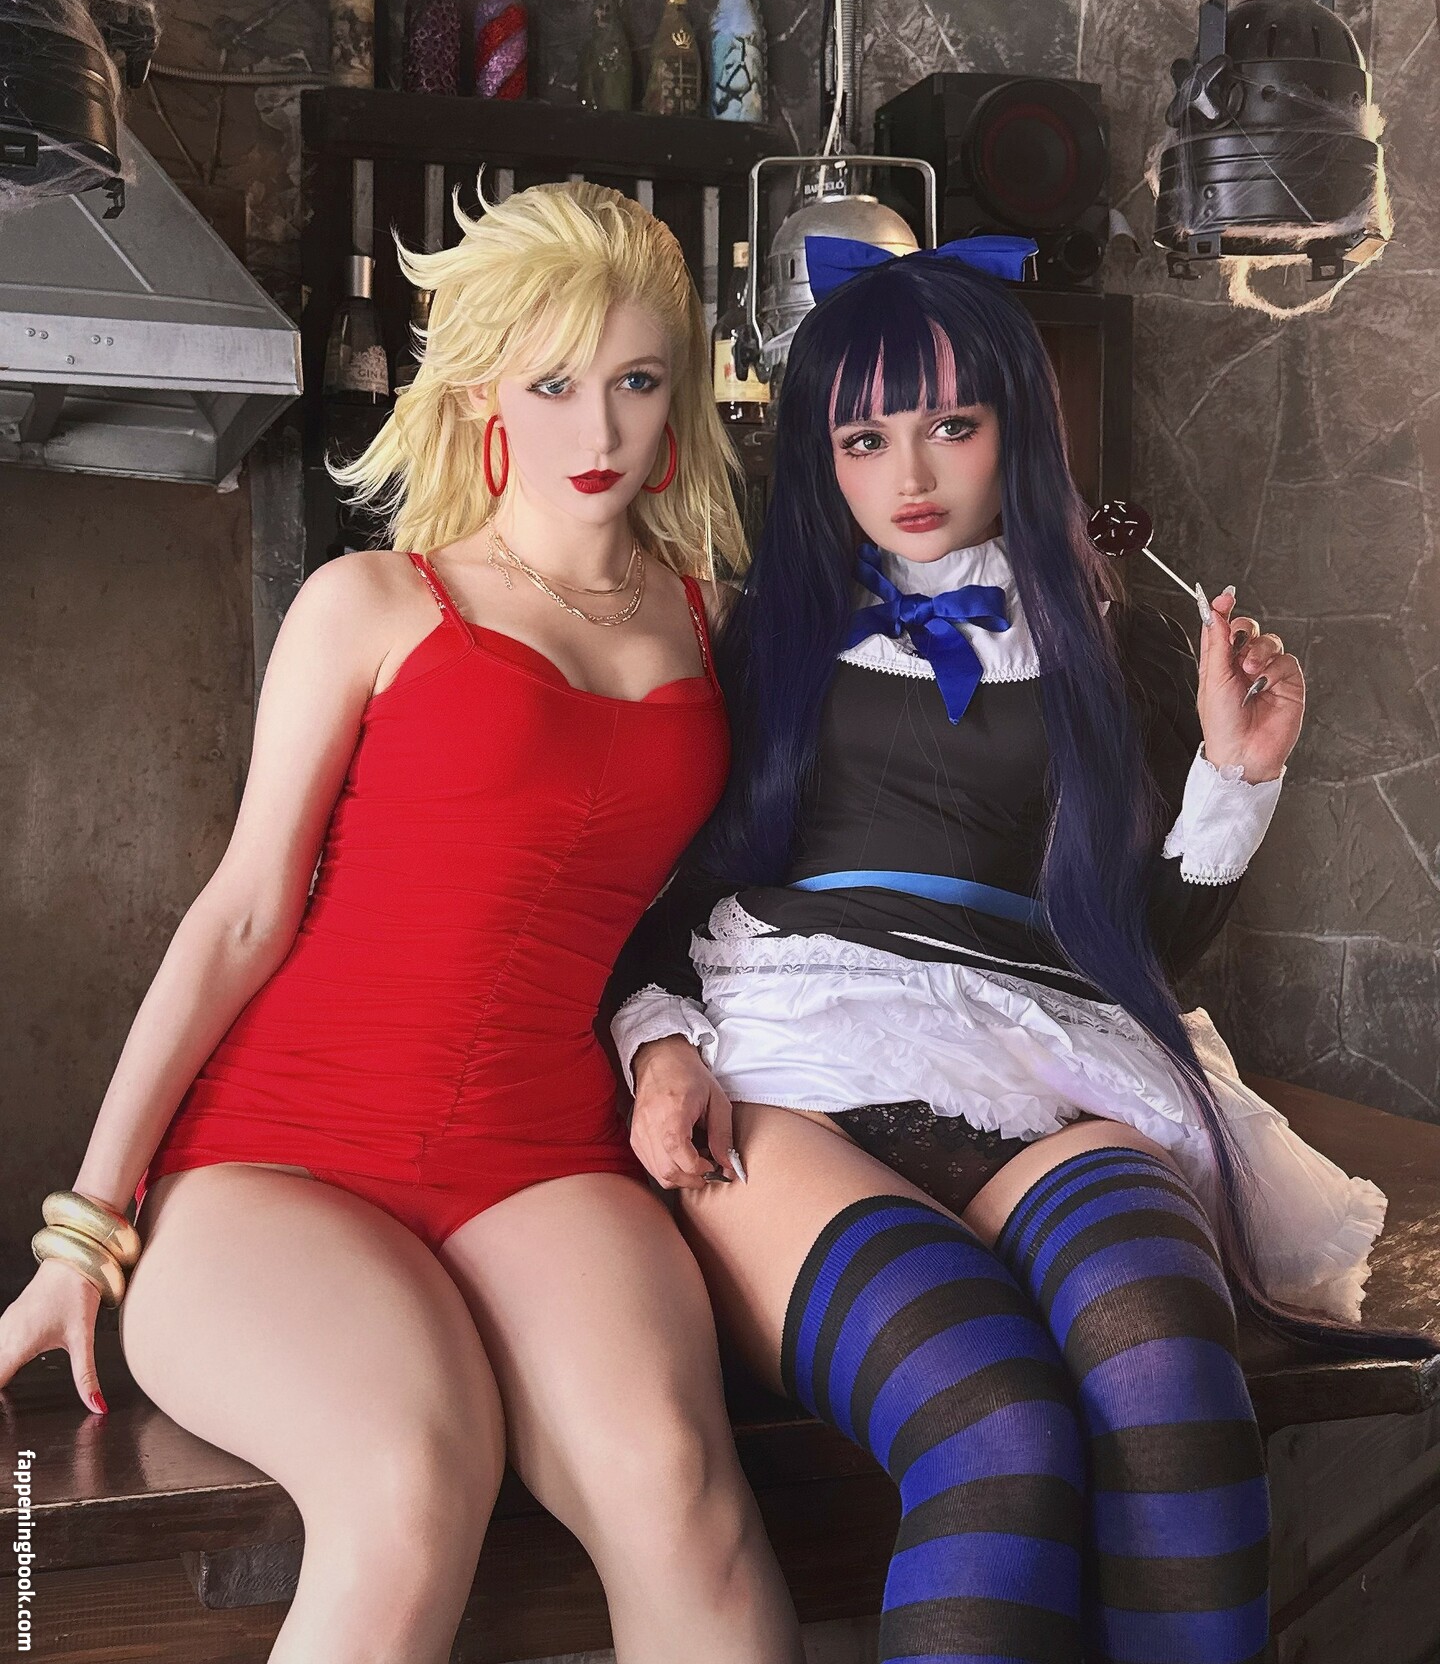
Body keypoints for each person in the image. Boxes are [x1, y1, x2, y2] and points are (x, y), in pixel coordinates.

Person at [0, 183, 804, 1664]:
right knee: (408, 1482)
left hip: (542, 1155)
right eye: (553, 385)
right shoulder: (372, 602)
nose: (599, 430)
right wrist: (84, 1229)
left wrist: (666, 1042)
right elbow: (242, 914)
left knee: (679, 1493)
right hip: (279, 1154)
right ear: (483, 389)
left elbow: (726, 903)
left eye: (636, 381)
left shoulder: (716, 626)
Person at [606, 246, 1430, 1664]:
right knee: (994, 1425)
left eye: (951, 423)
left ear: (1017, 426)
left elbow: (1138, 946)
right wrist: (657, 1038)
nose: (911, 472)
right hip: (795, 1052)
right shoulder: (750, 635)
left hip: (1044, 1043)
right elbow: (646, 887)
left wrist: (1237, 774)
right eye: (864, 438)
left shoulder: (1110, 645)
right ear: (822, 458)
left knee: (1169, 1372)